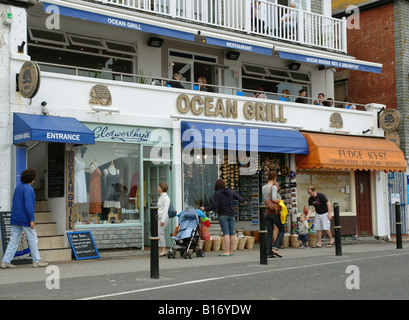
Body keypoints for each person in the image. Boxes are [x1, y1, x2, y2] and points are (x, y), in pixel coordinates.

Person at [1, 168, 48, 269]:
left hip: (15, 217)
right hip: (25, 218)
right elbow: (29, 206)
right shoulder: (29, 189)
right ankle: (36, 260)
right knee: (32, 238)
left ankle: (5, 261)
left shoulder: (18, 188)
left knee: (13, 240)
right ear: (31, 179)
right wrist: (31, 219)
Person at [200, 179, 246, 257]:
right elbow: (238, 197)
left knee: (226, 233)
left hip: (223, 215)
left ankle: (226, 252)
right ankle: (230, 251)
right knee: (231, 233)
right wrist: (243, 201)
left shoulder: (217, 193)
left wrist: (205, 208)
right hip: (231, 214)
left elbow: (214, 206)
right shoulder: (230, 192)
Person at [262, 171, 285, 258]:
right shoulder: (274, 187)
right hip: (274, 212)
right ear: (275, 178)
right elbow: (274, 199)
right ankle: (275, 247)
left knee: (270, 233)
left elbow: (267, 198)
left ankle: (269, 253)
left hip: (267, 212)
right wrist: (281, 201)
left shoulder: (263, 187)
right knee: (282, 230)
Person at [157, 182, 171, 257]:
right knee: (160, 233)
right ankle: (162, 248)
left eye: (158, 187)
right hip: (160, 217)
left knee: (160, 233)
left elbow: (165, 210)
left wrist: (162, 220)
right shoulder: (161, 197)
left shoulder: (166, 198)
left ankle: (163, 249)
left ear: (162, 188)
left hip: (164, 218)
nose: (157, 188)